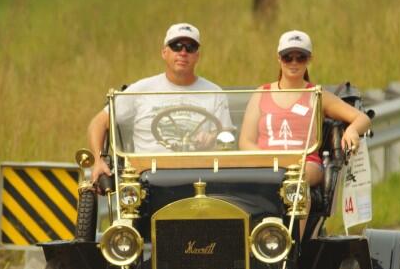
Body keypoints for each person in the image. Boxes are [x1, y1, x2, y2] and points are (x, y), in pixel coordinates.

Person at [88, 23, 233, 184]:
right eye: (176, 46)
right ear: (164, 52)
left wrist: (211, 139)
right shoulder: (141, 90)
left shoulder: (214, 93)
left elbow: (226, 139)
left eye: (190, 48)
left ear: (197, 56)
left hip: (200, 177)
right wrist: (98, 160)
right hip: (147, 178)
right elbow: (99, 122)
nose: (183, 53)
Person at [239, 30, 371, 186]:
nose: (294, 63)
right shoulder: (261, 93)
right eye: (288, 57)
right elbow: (245, 141)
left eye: (300, 58)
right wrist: (269, 160)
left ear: (309, 60)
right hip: (267, 164)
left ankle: (299, 206)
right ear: (279, 58)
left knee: (296, 180)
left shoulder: (317, 94)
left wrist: (352, 130)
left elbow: (362, 118)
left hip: (305, 163)